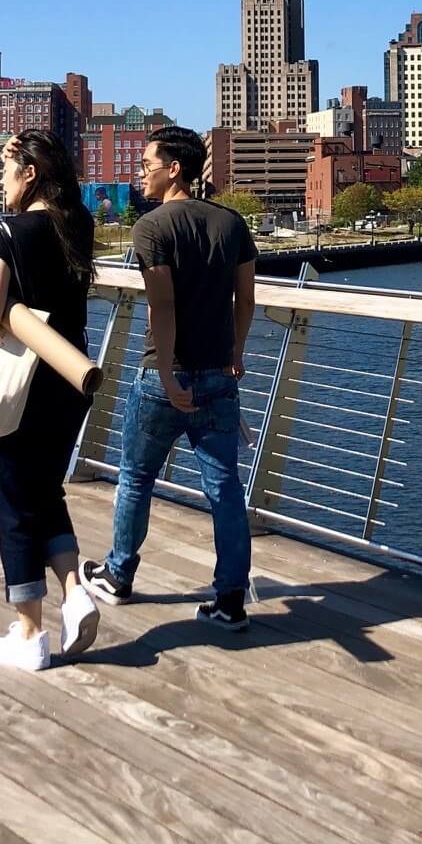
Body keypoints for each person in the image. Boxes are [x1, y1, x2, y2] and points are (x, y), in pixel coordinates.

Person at [81, 126, 257, 629]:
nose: (141, 173)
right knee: (225, 490)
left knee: (136, 477)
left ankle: (118, 576)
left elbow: (162, 303)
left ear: (173, 168)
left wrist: (164, 371)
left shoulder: (152, 227)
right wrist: (235, 353)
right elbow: (246, 299)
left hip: (166, 377)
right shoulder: (231, 223)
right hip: (220, 376)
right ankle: (230, 600)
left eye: (146, 164)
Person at [0, 130, 100, 672]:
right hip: (69, 380)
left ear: (29, 175)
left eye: (8, 170)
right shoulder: (80, 226)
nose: (2, 181)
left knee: (15, 505)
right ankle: (75, 592)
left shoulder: (6, 233)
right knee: (46, 490)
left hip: (18, 387)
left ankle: (30, 634)